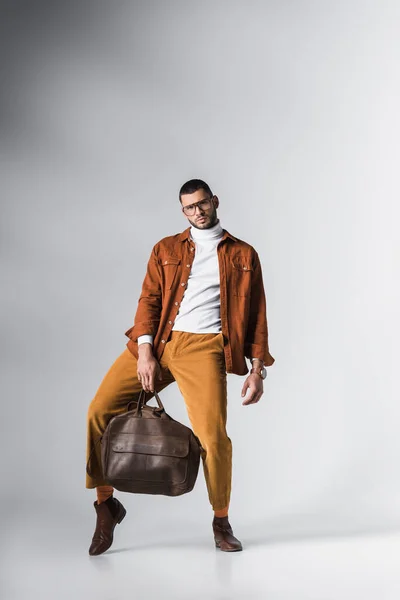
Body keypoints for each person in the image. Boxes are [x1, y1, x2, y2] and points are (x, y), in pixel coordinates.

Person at [86, 178, 275, 554]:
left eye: (202, 204)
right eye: (189, 207)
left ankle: (221, 520)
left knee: (213, 438)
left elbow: (256, 316)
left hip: (203, 349)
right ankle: (106, 505)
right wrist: (144, 351)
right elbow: (149, 301)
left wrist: (257, 370)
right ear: (182, 211)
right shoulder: (166, 248)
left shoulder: (243, 255)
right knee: (98, 412)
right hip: (157, 342)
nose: (198, 212)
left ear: (215, 201)